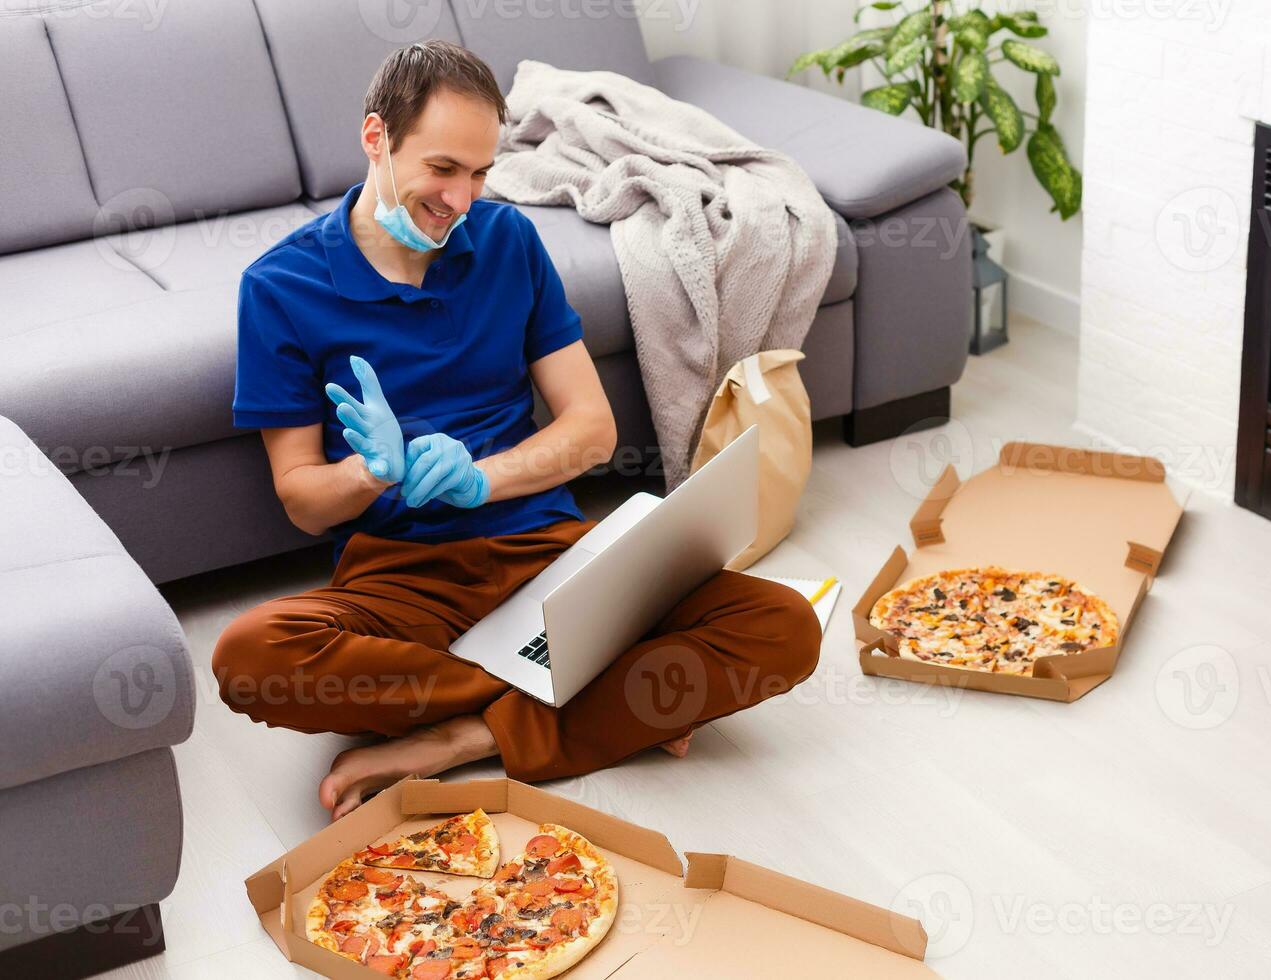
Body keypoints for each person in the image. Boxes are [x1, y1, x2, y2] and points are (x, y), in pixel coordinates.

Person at [212, 41, 820, 820]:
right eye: (442, 169)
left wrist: (482, 478)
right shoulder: (279, 286)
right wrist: (373, 474)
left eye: (480, 172)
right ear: (376, 139)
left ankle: (461, 738)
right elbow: (301, 498)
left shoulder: (508, 243)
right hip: (401, 581)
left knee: (784, 625)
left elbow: (593, 431)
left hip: (549, 559)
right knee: (251, 657)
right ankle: (588, 696)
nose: (462, 198)